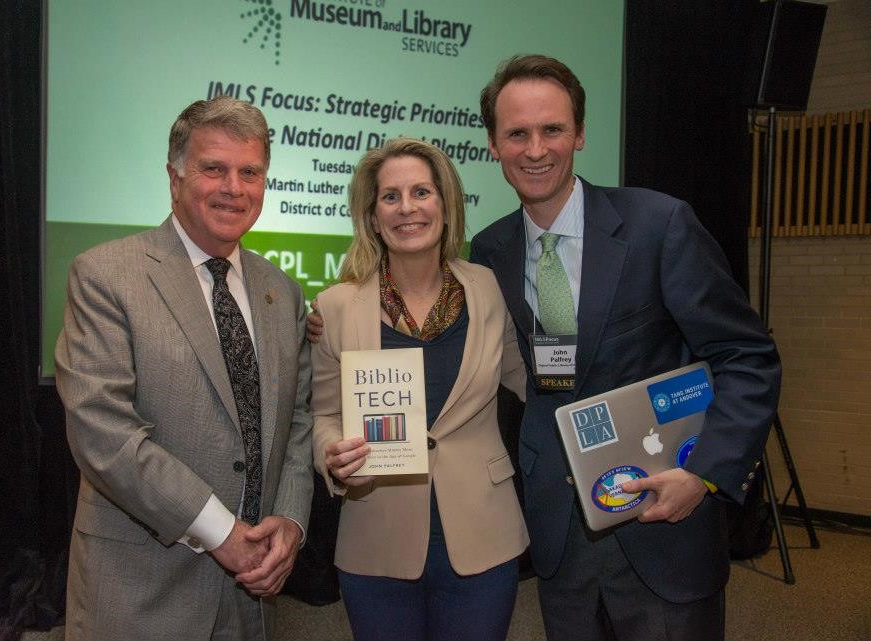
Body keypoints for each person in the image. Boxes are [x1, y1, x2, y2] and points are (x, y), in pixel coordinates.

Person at [468, 55, 781, 641]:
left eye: (552, 129)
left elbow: (747, 357)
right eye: (517, 133)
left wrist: (705, 474)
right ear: (493, 145)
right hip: (561, 535)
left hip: (663, 520)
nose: (536, 149)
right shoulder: (490, 250)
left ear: (580, 134)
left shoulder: (659, 225)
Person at [55, 96, 312, 641]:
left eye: (250, 172)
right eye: (212, 168)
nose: (233, 187)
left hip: (255, 592)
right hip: (140, 587)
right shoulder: (106, 276)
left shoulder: (282, 292)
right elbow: (104, 433)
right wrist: (221, 532)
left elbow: (299, 424)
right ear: (174, 177)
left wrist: (290, 521)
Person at [310, 138, 529, 641]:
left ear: (446, 204)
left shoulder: (492, 290)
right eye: (390, 197)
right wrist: (330, 452)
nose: (407, 208)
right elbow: (323, 415)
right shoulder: (336, 306)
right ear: (372, 215)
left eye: (421, 192)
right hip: (375, 538)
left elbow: (533, 382)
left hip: (483, 534)